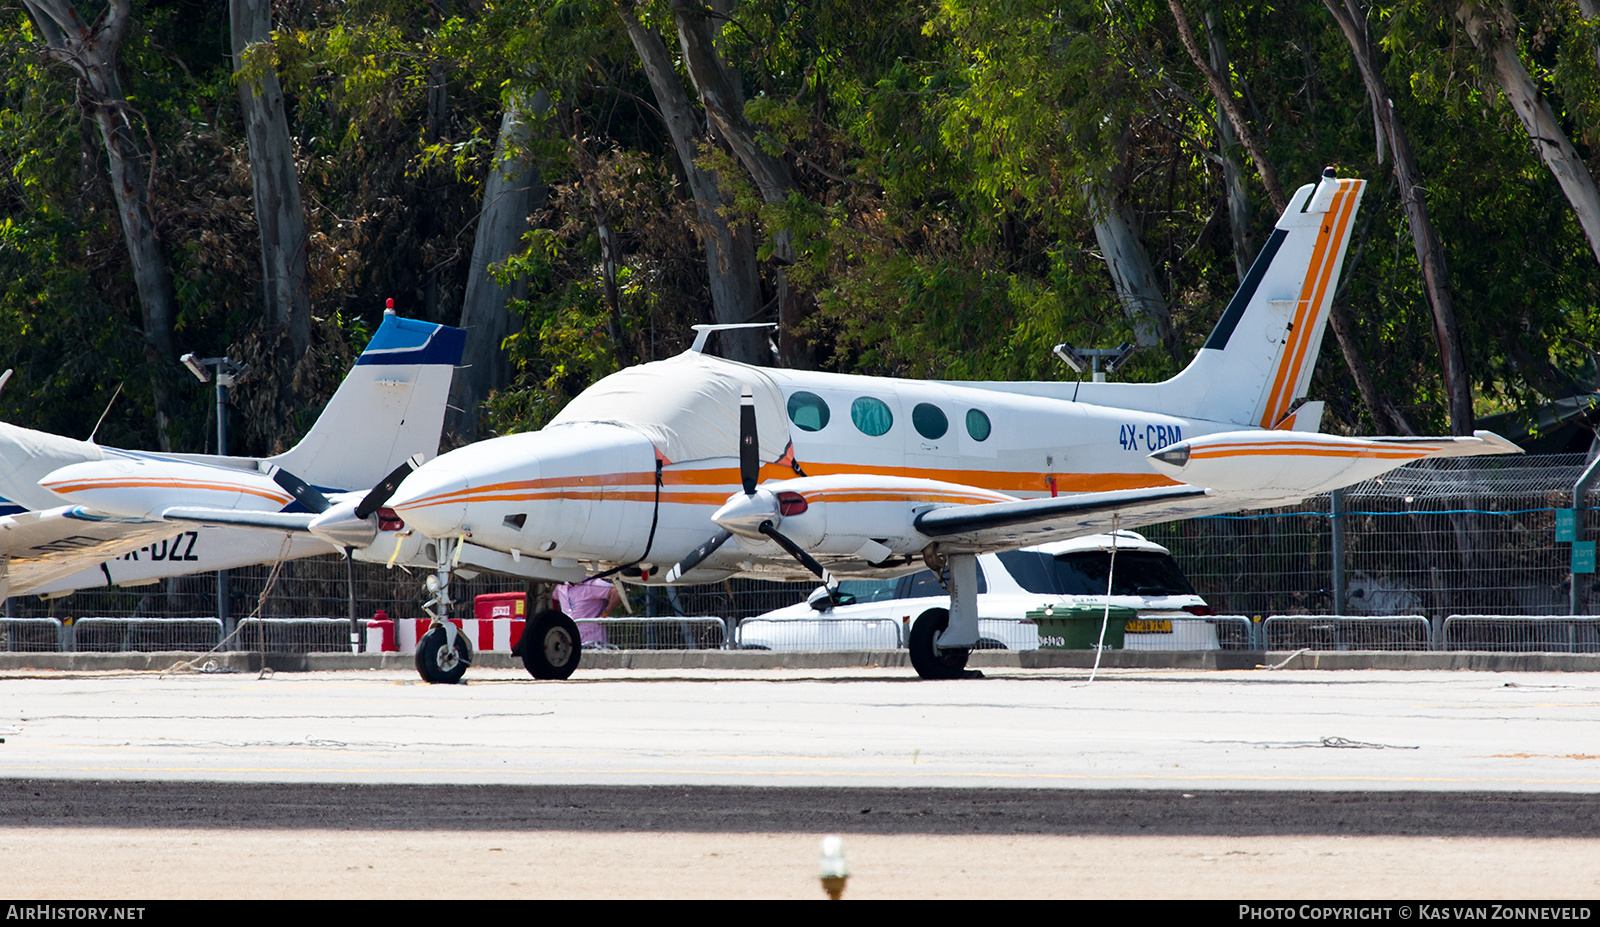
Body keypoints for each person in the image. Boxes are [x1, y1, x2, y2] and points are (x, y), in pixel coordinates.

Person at [554, 577, 624, 648]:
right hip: (570, 644)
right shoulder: (561, 587)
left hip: (593, 644)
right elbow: (550, 597)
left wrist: (605, 614)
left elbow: (617, 592)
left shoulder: (592, 584)